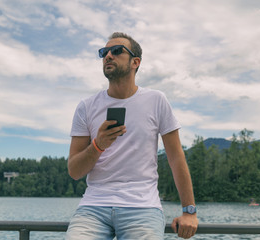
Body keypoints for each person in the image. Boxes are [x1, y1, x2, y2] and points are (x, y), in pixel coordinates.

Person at [66, 32, 198, 239]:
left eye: (117, 51)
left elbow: (175, 157)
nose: (108, 55)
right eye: (104, 52)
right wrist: (98, 145)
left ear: (135, 62)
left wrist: (189, 211)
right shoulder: (86, 107)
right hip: (93, 207)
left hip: (142, 207)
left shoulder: (156, 100)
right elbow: (74, 171)